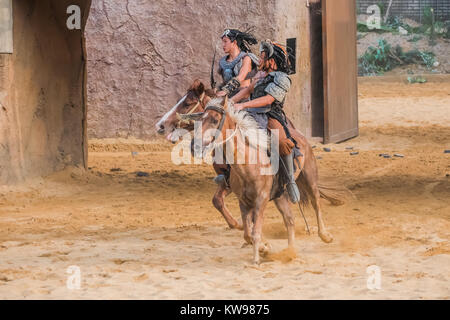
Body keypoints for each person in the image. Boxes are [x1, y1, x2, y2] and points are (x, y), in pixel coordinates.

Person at [230, 40, 301, 203]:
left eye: (262, 57)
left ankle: (290, 180)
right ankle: (228, 176)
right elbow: (247, 90)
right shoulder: (259, 75)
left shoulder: (282, 78)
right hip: (251, 113)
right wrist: (229, 103)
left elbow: (269, 99)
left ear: (272, 60)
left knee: (282, 142)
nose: (259, 60)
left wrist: (243, 105)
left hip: (270, 115)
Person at [216, 29, 259, 97]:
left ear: (234, 42)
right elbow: (225, 82)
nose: (223, 45)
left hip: (245, 97)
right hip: (229, 97)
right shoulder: (223, 62)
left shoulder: (246, 58)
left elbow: (241, 77)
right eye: (222, 42)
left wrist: (226, 90)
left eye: (225, 41)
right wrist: (217, 89)